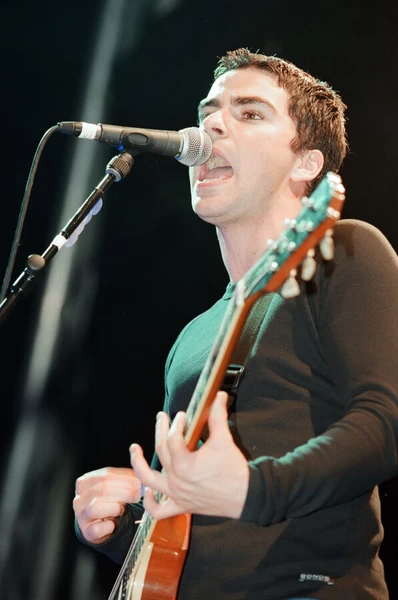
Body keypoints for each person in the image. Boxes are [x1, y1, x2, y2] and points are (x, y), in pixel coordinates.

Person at [73, 48, 398, 599]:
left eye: (249, 113)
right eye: (208, 113)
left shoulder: (344, 250)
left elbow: (385, 423)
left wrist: (254, 488)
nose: (211, 125)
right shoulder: (195, 334)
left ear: (308, 164)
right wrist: (124, 525)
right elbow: (177, 522)